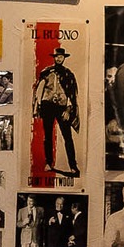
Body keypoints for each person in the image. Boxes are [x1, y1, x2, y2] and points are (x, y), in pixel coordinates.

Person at [32, 47, 81, 175]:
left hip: (62, 107)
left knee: (68, 137)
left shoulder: (68, 74)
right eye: (57, 56)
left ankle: (73, 165)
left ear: (64, 58)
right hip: (48, 107)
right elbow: (39, 91)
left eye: (61, 56)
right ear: (54, 57)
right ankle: (48, 163)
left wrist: (68, 110)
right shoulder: (47, 72)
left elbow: (72, 95)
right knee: (48, 136)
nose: (59, 58)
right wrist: (38, 106)